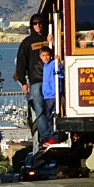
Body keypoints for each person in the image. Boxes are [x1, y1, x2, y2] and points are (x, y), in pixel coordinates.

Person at [16, 14, 53, 145]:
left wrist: (53, 42)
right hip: (36, 81)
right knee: (39, 110)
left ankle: (54, 135)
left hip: (52, 80)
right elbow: (21, 63)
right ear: (32, 26)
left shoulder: (50, 39)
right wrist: (23, 82)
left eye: (40, 23)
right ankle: (44, 137)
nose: (38, 26)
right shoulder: (27, 42)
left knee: (52, 109)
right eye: (35, 23)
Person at [39, 46, 64, 146]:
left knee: (53, 116)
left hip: (54, 94)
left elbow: (61, 72)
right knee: (49, 116)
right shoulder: (45, 66)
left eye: (47, 55)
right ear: (40, 57)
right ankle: (50, 136)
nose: (45, 58)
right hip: (47, 95)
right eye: (43, 56)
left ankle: (55, 137)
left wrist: (59, 62)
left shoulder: (54, 64)